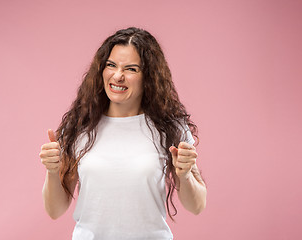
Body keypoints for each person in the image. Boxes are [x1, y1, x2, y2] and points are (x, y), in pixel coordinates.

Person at [39, 27, 207, 240]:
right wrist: (52, 172)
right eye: (111, 65)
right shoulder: (80, 127)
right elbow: (55, 210)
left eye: (131, 69)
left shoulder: (170, 128)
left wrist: (184, 175)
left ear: (149, 77)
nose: (117, 76)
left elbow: (197, 206)